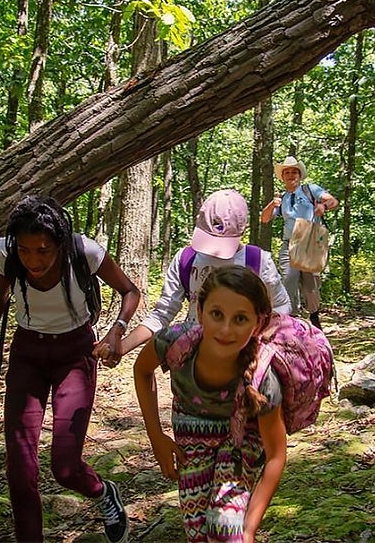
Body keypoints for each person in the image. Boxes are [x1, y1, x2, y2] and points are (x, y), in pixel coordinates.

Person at [0, 195, 140, 543]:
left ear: (59, 243)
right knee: (19, 464)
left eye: (43, 251)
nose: (32, 260)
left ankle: (104, 493)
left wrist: (116, 331)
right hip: (27, 353)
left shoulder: (85, 252)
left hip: (75, 354)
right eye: (25, 251)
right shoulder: (4, 252)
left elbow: (130, 291)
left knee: (65, 466)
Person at [133, 266, 287, 543]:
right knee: (197, 531)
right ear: (200, 311)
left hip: (242, 438)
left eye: (240, 318)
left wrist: (249, 530)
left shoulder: (263, 380)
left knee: (227, 528)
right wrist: (156, 436)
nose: (226, 329)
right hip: (191, 436)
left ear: (258, 324)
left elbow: (276, 456)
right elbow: (142, 371)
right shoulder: (174, 342)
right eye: (217, 314)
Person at [116, 189, 291, 362]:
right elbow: (162, 313)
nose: (215, 251)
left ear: (242, 230)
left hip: (246, 358)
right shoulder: (186, 259)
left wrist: (257, 340)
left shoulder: (257, 261)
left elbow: (281, 307)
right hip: (193, 359)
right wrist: (121, 347)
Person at [260, 156, 338, 329]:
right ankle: (291, 318)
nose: (290, 175)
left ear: (299, 174)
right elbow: (264, 219)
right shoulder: (282, 198)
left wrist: (323, 207)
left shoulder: (310, 189)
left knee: (311, 285)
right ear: (283, 176)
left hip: (310, 241)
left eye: (294, 171)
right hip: (290, 243)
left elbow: (333, 201)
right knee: (288, 278)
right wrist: (272, 205)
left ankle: (314, 315)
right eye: (286, 172)